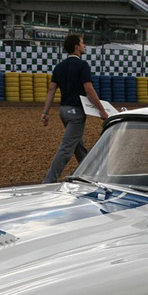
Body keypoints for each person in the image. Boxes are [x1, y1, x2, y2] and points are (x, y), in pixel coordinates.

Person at [40, 34, 109, 183]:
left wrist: (45, 112)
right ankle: (48, 181)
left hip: (63, 111)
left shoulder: (59, 67)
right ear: (77, 47)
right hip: (76, 113)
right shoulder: (82, 66)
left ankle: (91, 175)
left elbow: (51, 90)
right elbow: (89, 90)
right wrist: (102, 111)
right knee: (66, 149)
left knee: (78, 145)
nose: (85, 46)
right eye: (83, 43)